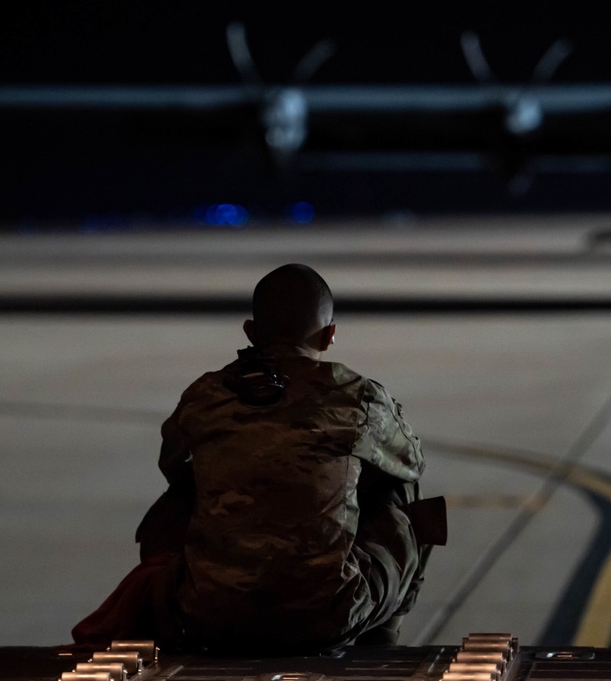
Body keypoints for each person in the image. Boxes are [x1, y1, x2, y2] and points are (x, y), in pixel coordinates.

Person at [70, 263, 444, 654]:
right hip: (328, 617)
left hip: (204, 616)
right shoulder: (358, 397)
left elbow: (171, 465)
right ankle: (379, 645)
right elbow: (411, 462)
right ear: (330, 335)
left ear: (251, 332)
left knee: (184, 489)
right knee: (400, 488)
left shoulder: (206, 395)